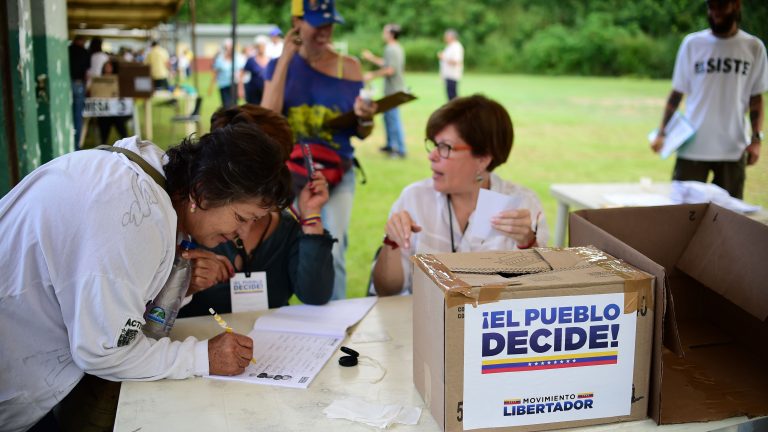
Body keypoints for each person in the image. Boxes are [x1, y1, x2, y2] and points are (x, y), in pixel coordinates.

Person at [0, 123, 293, 432]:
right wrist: (203, 356)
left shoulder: (147, 180)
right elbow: (104, 351)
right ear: (204, 192)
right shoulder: (135, 215)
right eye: (241, 218)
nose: (242, 233)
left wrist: (177, 285)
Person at [371, 95, 549, 296]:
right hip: (423, 314)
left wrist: (527, 243)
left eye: (445, 147)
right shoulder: (414, 198)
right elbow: (386, 290)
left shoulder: (522, 205)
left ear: (483, 159)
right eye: (434, 145)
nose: (432, 155)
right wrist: (392, 242)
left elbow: (539, 295)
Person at [262, 0, 376, 300]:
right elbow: (266, 120)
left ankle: (336, 320)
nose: (325, 31)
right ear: (297, 23)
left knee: (333, 248)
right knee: (287, 247)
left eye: (330, 24)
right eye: (317, 24)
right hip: (290, 175)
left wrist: (365, 118)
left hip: (337, 172)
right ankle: (293, 318)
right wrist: (285, 59)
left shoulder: (348, 66)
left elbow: (362, 131)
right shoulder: (278, 65)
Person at [178, 104, 334, 316]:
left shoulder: (285, 228)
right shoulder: (191, 226)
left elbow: (315, 294)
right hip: (197, 338)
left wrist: (311, 215)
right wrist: (182, 284)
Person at [651, 0, 767, 199]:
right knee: (682, 212)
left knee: (729, 214)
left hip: (733, 148)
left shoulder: (753, 47)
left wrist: (756, 140)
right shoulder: (692, 44)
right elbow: (677, 93)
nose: (714, 12)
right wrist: (661, 132)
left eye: (720, 6)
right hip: (693, 148)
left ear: (736, 5)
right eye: (711, 7)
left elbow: (756, 98)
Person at [362, 23, 407, 158]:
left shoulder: (391, 49)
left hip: (393, 90)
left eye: (385, 32)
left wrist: (372, 75)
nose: (383, 34)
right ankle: (390, 145)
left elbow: (390, 70)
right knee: (388, 118)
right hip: (393, 89)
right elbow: (386, 63)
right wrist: (371, 58)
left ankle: (400, 149)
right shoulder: (396, 48)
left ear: (391, 34)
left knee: (393, 119)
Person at [97, 60, 130, 144]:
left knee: (117, 120)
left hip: (116, 110)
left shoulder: (118, 80)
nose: (108, 69)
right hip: (104, 110)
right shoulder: (99, 80)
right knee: (104, 120)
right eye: (106, 67)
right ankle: (104, 142)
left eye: (109, 67)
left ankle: (126, 141)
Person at [208, 39, 245, 109]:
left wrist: (241, 88)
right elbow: (216, 73)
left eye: (230, 48)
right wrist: (211, 87)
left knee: (234, 105)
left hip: (235, 84)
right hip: (223, 85)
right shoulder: (220, 59)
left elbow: (241, 73)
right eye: (227, 48)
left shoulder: (239, 58)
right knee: (226, 105)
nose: (229, 50)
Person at [68, 35, 89, 150]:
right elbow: (87, 72)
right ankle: (76, 145)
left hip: (67, 83)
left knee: (69, 113)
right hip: (79, 84)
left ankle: (71, 142)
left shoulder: (68, 50)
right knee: (78, 116)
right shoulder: (84, 52)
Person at [438, 29, 464, 101]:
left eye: (446, 36)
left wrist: (443, 57)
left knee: (452, 97)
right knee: (450, 96)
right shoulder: (450, 46)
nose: (444, 38)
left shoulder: (456, 47)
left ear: (451, 37)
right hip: (448, 75)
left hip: (452, 75)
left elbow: (456, 61)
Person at [243, 36, 271, 105]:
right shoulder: (251, 60)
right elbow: (242, 73)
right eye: (259, 46)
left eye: (263, 46)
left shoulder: (270, 60)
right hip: (253, 91)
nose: (261, 48)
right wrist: (241, 89)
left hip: (266, 91)